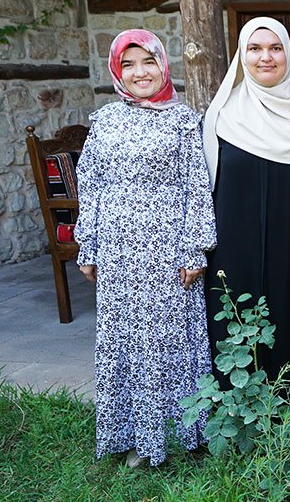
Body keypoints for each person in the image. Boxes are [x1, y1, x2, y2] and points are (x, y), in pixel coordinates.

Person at [75, 29, 216, 468]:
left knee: (167, 341)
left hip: (167, 248)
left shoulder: (183, 120)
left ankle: (176, 436)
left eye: (148, 62)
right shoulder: (104, 121)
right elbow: (91, 184)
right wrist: (89, 244)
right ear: (118, 70)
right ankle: (132, 435)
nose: (140, 72)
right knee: (125, 340)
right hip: (117, 250)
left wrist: (194, 248)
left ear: (163, 65)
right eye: (129, 64)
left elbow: (197, 187)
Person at [203, 17, 290, 387]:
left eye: (275, 48)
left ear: (288, 53)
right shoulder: (222, 115)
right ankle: (237, 412)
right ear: (242, 56)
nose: (266, 57)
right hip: (234, 251)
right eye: (255, 49)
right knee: (236, 322)